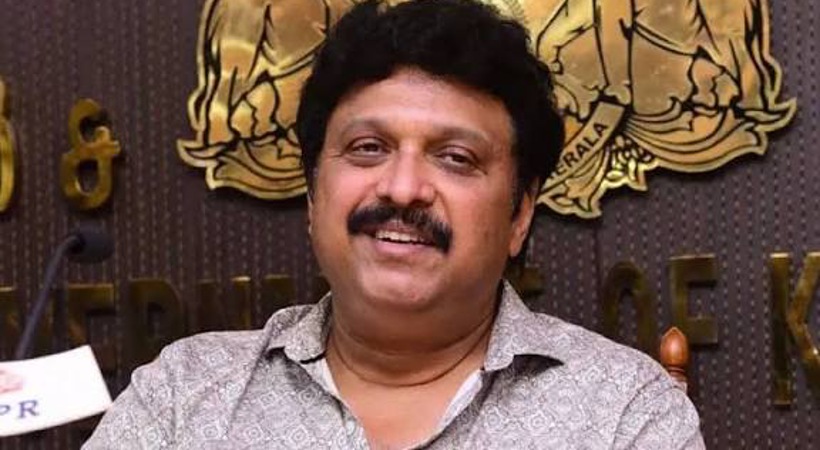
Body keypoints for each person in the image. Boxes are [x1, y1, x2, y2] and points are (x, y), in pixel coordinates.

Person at [84, 0, 704, 448]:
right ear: (312, 193)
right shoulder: (184, 396)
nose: (403, 188)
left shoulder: (622, 411)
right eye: (367, 149)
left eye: (455, 158)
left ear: (520, 212)